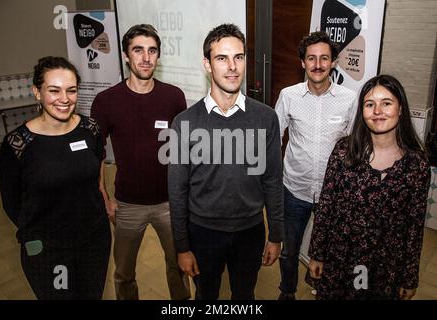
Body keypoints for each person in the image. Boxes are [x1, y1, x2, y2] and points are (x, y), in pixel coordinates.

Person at [168, 23, 284, 300]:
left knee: (244, 296)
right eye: (222, 58)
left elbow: (273, 180)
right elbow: (177, 190)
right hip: (203, 232)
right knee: (205, 296)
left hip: (250, 231)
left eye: (239, 57)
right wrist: (182, 247)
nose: (232, 67)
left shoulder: (266, 118)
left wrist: (276, 234)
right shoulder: (184, 122)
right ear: (207, 65)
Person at [307, 74, 431, 300]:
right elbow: (326, 207)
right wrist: (316, 253)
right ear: (362, 112)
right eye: (369, 104)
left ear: (400, 109)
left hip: (383, 266)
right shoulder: (344, 152)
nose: (377, 111)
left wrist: (409, 276)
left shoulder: (416, 165)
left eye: (386, 103)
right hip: (340, 259)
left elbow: (414, 227)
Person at [0, 56, 111, 299]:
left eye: (71, 90)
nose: (64, 99)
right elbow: (12, 203)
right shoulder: (18, 144)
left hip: (94, 241)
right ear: (37, 92)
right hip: (49, 250)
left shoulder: (90, 128)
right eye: (54, 90)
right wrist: (38, 236)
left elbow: (97, 171)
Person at [90, 24, 190, 300]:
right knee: (123, 273)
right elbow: (94, 155)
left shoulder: (173, 96)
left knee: (179, 266)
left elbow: (183, 151)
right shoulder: (106, 101)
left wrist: (185, 196)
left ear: (158, 56)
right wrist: (104, 197)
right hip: (127, 205)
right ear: (125, 55)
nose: (146, 58)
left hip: (169, 203)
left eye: (152, 51)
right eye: (138, 50)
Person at [274, 31, 357, 300]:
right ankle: (287, 292)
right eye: (311, 58)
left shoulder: (350, 99)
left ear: (333, 62)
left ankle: (323, 289)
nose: (318, 64)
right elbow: (274, 138)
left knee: (329, 252)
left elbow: (356, 147)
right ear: (303, 63)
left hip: (333, 195)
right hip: (294, 189)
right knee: (289, 250)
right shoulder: (288, 95)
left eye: (324, 58)